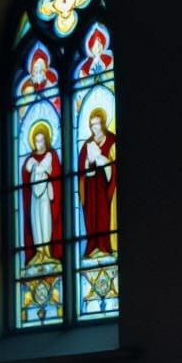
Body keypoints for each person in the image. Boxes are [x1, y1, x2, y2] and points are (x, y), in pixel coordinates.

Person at [22, 122, 62, 267]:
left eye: (41, 140)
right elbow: (26, 173)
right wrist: (32, 167)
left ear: (46, 139)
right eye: (36, 141)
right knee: (35, 221)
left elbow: (53, 171)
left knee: (45, 220)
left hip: (45, 195)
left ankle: (47, 252)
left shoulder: (51, 155)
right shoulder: (31, 158)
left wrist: (40, 168)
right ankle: (39, 253)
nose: (39, 144)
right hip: (34, 197)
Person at [78, 109, 117, 259]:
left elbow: (113, 169)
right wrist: (89, 164)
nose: (96, 128)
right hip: (90, 189)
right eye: (92, 125)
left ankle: (105, 246)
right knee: (92, 215)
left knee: (104, 214)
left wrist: (102, 160)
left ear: (103, 123)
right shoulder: (86, 146)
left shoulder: (112, 140)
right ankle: (93, 246)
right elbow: (81, 171)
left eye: (98, 124)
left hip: (105, 189)